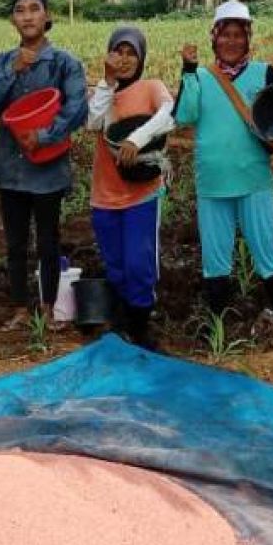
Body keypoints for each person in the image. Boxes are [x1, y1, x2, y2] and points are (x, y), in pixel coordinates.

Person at [175, 0, 273, 327]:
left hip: (255, 179)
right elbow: (185, 115)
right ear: (214, 37)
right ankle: (218, 321)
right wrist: (186, 71)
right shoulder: (198, 76)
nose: (232, 41)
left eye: (239, 34)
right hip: (212, 181)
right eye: (225, 34)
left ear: (248, 38)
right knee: (215, 256)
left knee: (265, 246)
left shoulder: (268, 74)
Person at [0, 0, 87, 330]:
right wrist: (13, 70)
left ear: (47, 16)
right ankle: (19, 307)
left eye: (34, 8)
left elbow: (76, 109)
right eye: (20, 10)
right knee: (14, 241)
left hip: (48, 168)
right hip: (11, 168)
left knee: (47, 239)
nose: (27, 15)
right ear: (13, 19)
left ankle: (46, 305)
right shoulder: (1, 62)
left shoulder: (64, 63)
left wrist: (43, 136)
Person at [85, 27, 175, 349]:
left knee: (139, 263)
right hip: (105, 196)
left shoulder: (151, 87)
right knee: (116, 264)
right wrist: (107, 83)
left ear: (141, 58)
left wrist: (136, 139)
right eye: (117, 52)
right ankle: (121, 324)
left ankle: (140, 328)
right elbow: (93, 122)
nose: (123, 59)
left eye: (131, 53)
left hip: (142, 193)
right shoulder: (102, 93)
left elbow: (168, 115)